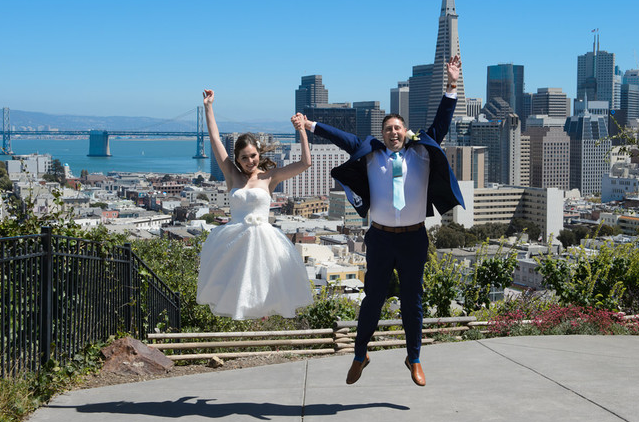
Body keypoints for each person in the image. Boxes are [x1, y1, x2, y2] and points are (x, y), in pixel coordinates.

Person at [292, 56, 464, 386]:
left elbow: (441, 121)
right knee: (373, 298)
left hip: (414, 239)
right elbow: (339, 136)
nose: (393, 132)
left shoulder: (422, 152)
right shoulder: (369, 152)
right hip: (380, 238)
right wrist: (309, 125)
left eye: (398, 128)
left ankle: (414, 358)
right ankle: (360, 354)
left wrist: (451, 85)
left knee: (413, 301)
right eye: (388, 129)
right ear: (382, 134)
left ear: (405, 131)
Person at [196, 90, 313, 320]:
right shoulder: (231, 174)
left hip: (265, 242)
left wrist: (301, 131)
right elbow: (215, 139)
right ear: (237, 160)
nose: (250, 161)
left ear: (259, 153)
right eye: (244, 158)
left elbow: (305, 163)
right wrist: (209, 107)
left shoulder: (270, 177)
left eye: (253, 156)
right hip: (234, 240)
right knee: (236, 289)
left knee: (266, 289)